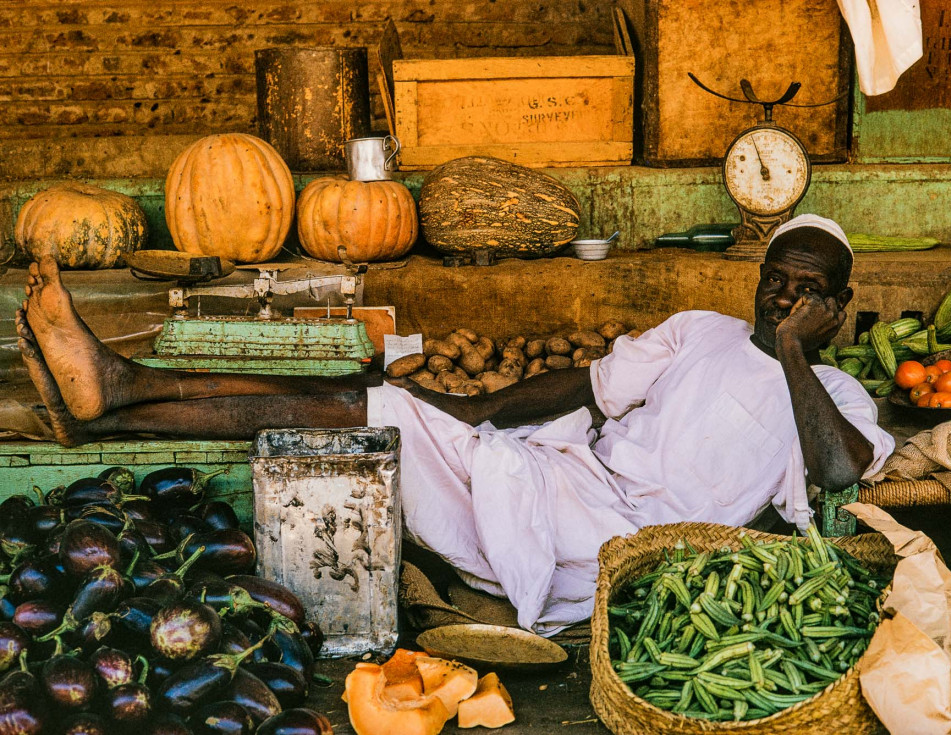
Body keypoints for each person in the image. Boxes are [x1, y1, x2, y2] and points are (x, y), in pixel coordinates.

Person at [15, 214, 893, 633]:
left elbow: (840, 472)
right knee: (386, 400)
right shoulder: (698, 330)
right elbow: (587, 384)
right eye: (776, 277)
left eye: (806, 288)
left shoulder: (838, 398)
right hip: (562, 477)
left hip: (627, 546)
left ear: (838, 307)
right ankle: (125, 386)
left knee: (390, 414)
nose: (783, 296)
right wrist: (475, 414)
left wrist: (792, 355)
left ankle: (124, 388)